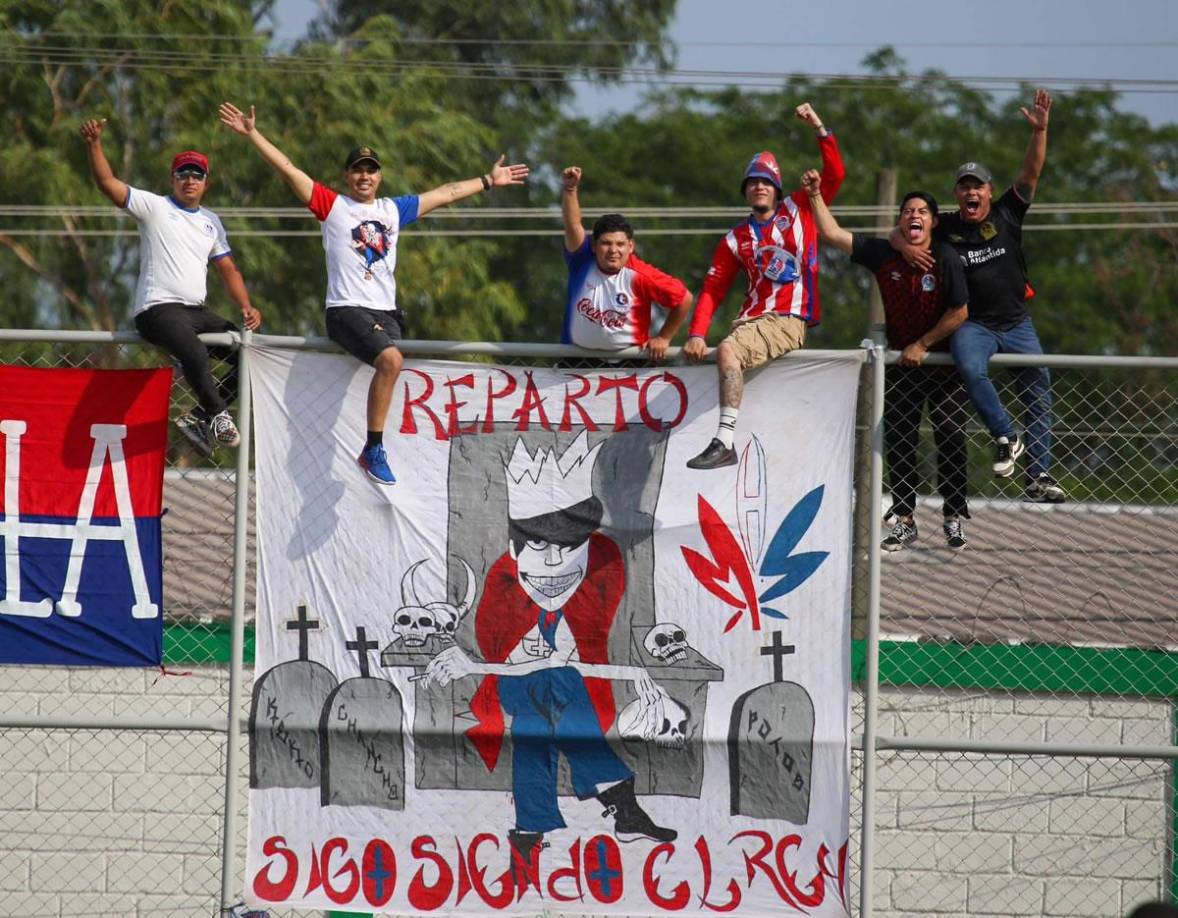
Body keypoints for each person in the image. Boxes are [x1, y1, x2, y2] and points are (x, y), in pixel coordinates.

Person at [218, 102, 528, 486]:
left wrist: (487, 180)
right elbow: (288, 169)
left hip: (388, 313)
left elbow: (445, 193)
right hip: (347, 310)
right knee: (392, 361)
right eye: (358, 169)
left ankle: (390, 452)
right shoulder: (333, 207)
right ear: (347, 176)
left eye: (371, 170)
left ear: (379, 177)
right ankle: (373, 449)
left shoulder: (393, 210)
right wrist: (252, 134)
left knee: (393, 369)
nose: (364, 176)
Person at [421, 433, 676, 873]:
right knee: (553, 685)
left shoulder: (603, 569)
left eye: (568, 547)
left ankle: (528, 831)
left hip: (565, 689)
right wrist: (481, 662)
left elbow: (585, 650)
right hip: (518, 685)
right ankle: (622, 806)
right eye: (538, 545)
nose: (555, 563)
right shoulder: (504, 582)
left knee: (538, 725)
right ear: (517, 547)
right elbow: (506, 654)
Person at [898, 89, 1065, 503]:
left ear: (990, 191)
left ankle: (1038, 476)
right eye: (963, 187)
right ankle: (1006, 436)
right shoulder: (947, 227)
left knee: (1038, 389)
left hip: (1016, 322)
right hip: (973, 323)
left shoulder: (1009, 211)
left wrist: (1040, 132)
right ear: (957, 196)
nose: (971, 193)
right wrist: (902, 245)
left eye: (978, 186)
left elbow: (1031, 172)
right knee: (971, 369)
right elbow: (907, 224)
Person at [805, 169, 972, 550]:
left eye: (922, 211)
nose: (914, 215)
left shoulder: (945, 256)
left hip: (942, 364)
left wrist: (924, 343)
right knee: (898, 438)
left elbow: (960, 312)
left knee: (949, 433)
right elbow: (832, 234)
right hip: (902, 365)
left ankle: (952, 516)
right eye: (907, 210)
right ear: (900, 221)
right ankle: (905, 518)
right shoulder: (885, 254)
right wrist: (815, 196)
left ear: (932, 221)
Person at [80, 118, 262, 456]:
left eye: (197, 175)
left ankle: (199, 417)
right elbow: (107, 182)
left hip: (196, 311)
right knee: (193, 352)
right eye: (183, 174)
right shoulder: (155, 206)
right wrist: (94, 144)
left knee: (249, 360)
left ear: (206, 183)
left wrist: (246, 305)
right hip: (158, 309)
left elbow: (228, 268)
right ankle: (219, 415)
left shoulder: (211, 222)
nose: (190, 180)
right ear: (173, 179)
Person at [682, 103, 845, 469]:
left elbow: (835, 173)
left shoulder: (801, 208)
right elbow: (712, 290)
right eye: (752, 182)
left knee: (727, 352)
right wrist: (695, 333)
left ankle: (724, 441)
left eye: (766, 181)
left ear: (776, 188)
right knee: (723, 357)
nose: (759, 186)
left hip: (787, 316)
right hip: (750, 320)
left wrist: (817, 124)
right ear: (745, 191)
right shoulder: (735, 238)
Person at [559, 166, 692, 360]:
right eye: (606, 243)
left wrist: (664, 337)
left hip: (629, 367)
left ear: (630, 246)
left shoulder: (641, 274)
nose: (613, 250)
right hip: (577, 364)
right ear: (594, 245)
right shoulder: (582, 260)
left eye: (620, 244)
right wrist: (570, 190)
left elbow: (684, 299)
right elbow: (573, 226)